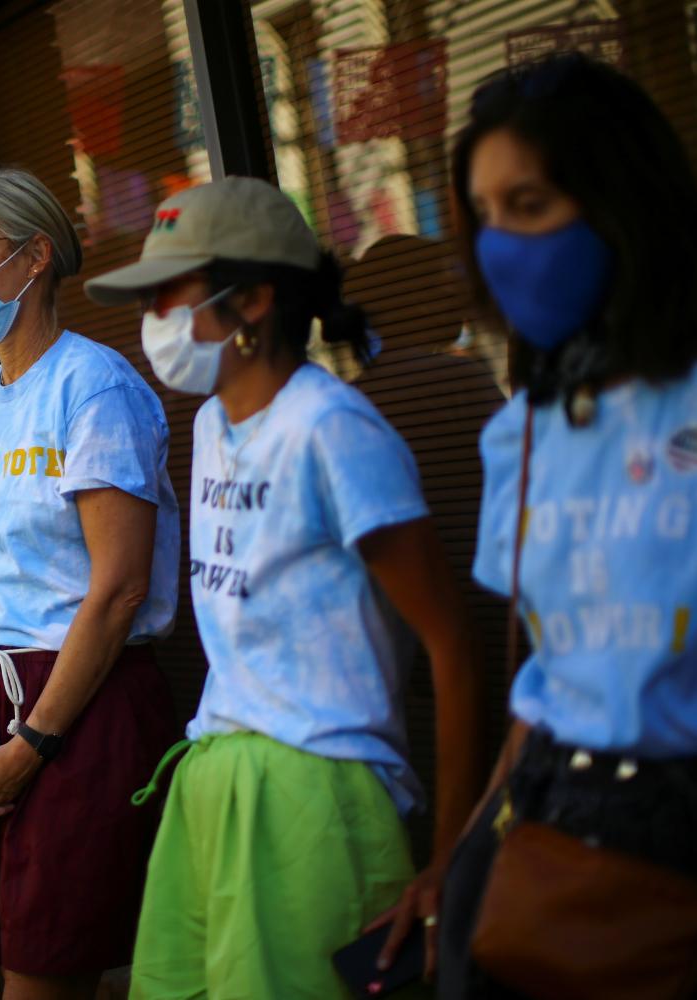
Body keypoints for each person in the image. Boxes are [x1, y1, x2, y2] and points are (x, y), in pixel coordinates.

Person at [81, 177, 484, 998]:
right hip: (214, 775)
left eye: (171, 293)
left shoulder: (334, 429)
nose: (154, 318)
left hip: (320, 791)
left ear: (254, 300)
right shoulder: (209, 422)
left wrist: (450, 856)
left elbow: (451, 643)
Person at [436, 53, 697, 996]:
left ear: (621, 204)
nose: (502, 245)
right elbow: (541, 681)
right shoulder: (522, 432)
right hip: (550, 821)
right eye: (485, 215)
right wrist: (461, 867)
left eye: (532, 203)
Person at [0, 168, 181, 999]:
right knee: (24, 960)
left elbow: (118, 589)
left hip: (80, 699)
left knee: (50, 973)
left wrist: (32, 744)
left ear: (35, 256)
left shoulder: (95, 385)